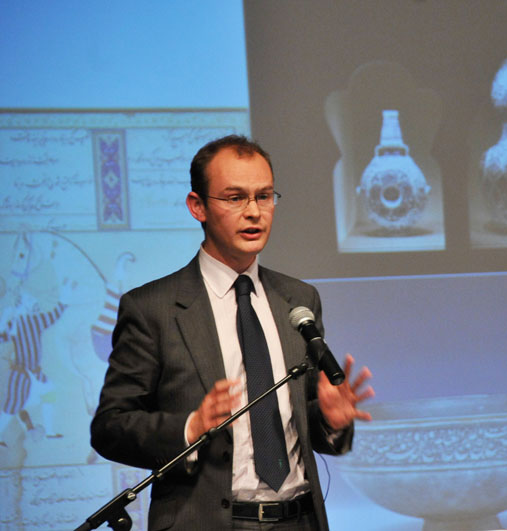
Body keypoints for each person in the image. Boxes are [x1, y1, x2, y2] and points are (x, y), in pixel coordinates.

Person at [90, 135, 374, 530]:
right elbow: (110, 427)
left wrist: (330, 420)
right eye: (235, 198)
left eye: (264, 196)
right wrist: (190, 427)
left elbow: (294, 420)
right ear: (198, 206)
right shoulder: (152, 309)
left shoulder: (297, 299)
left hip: (299, 520)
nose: (254, 212)